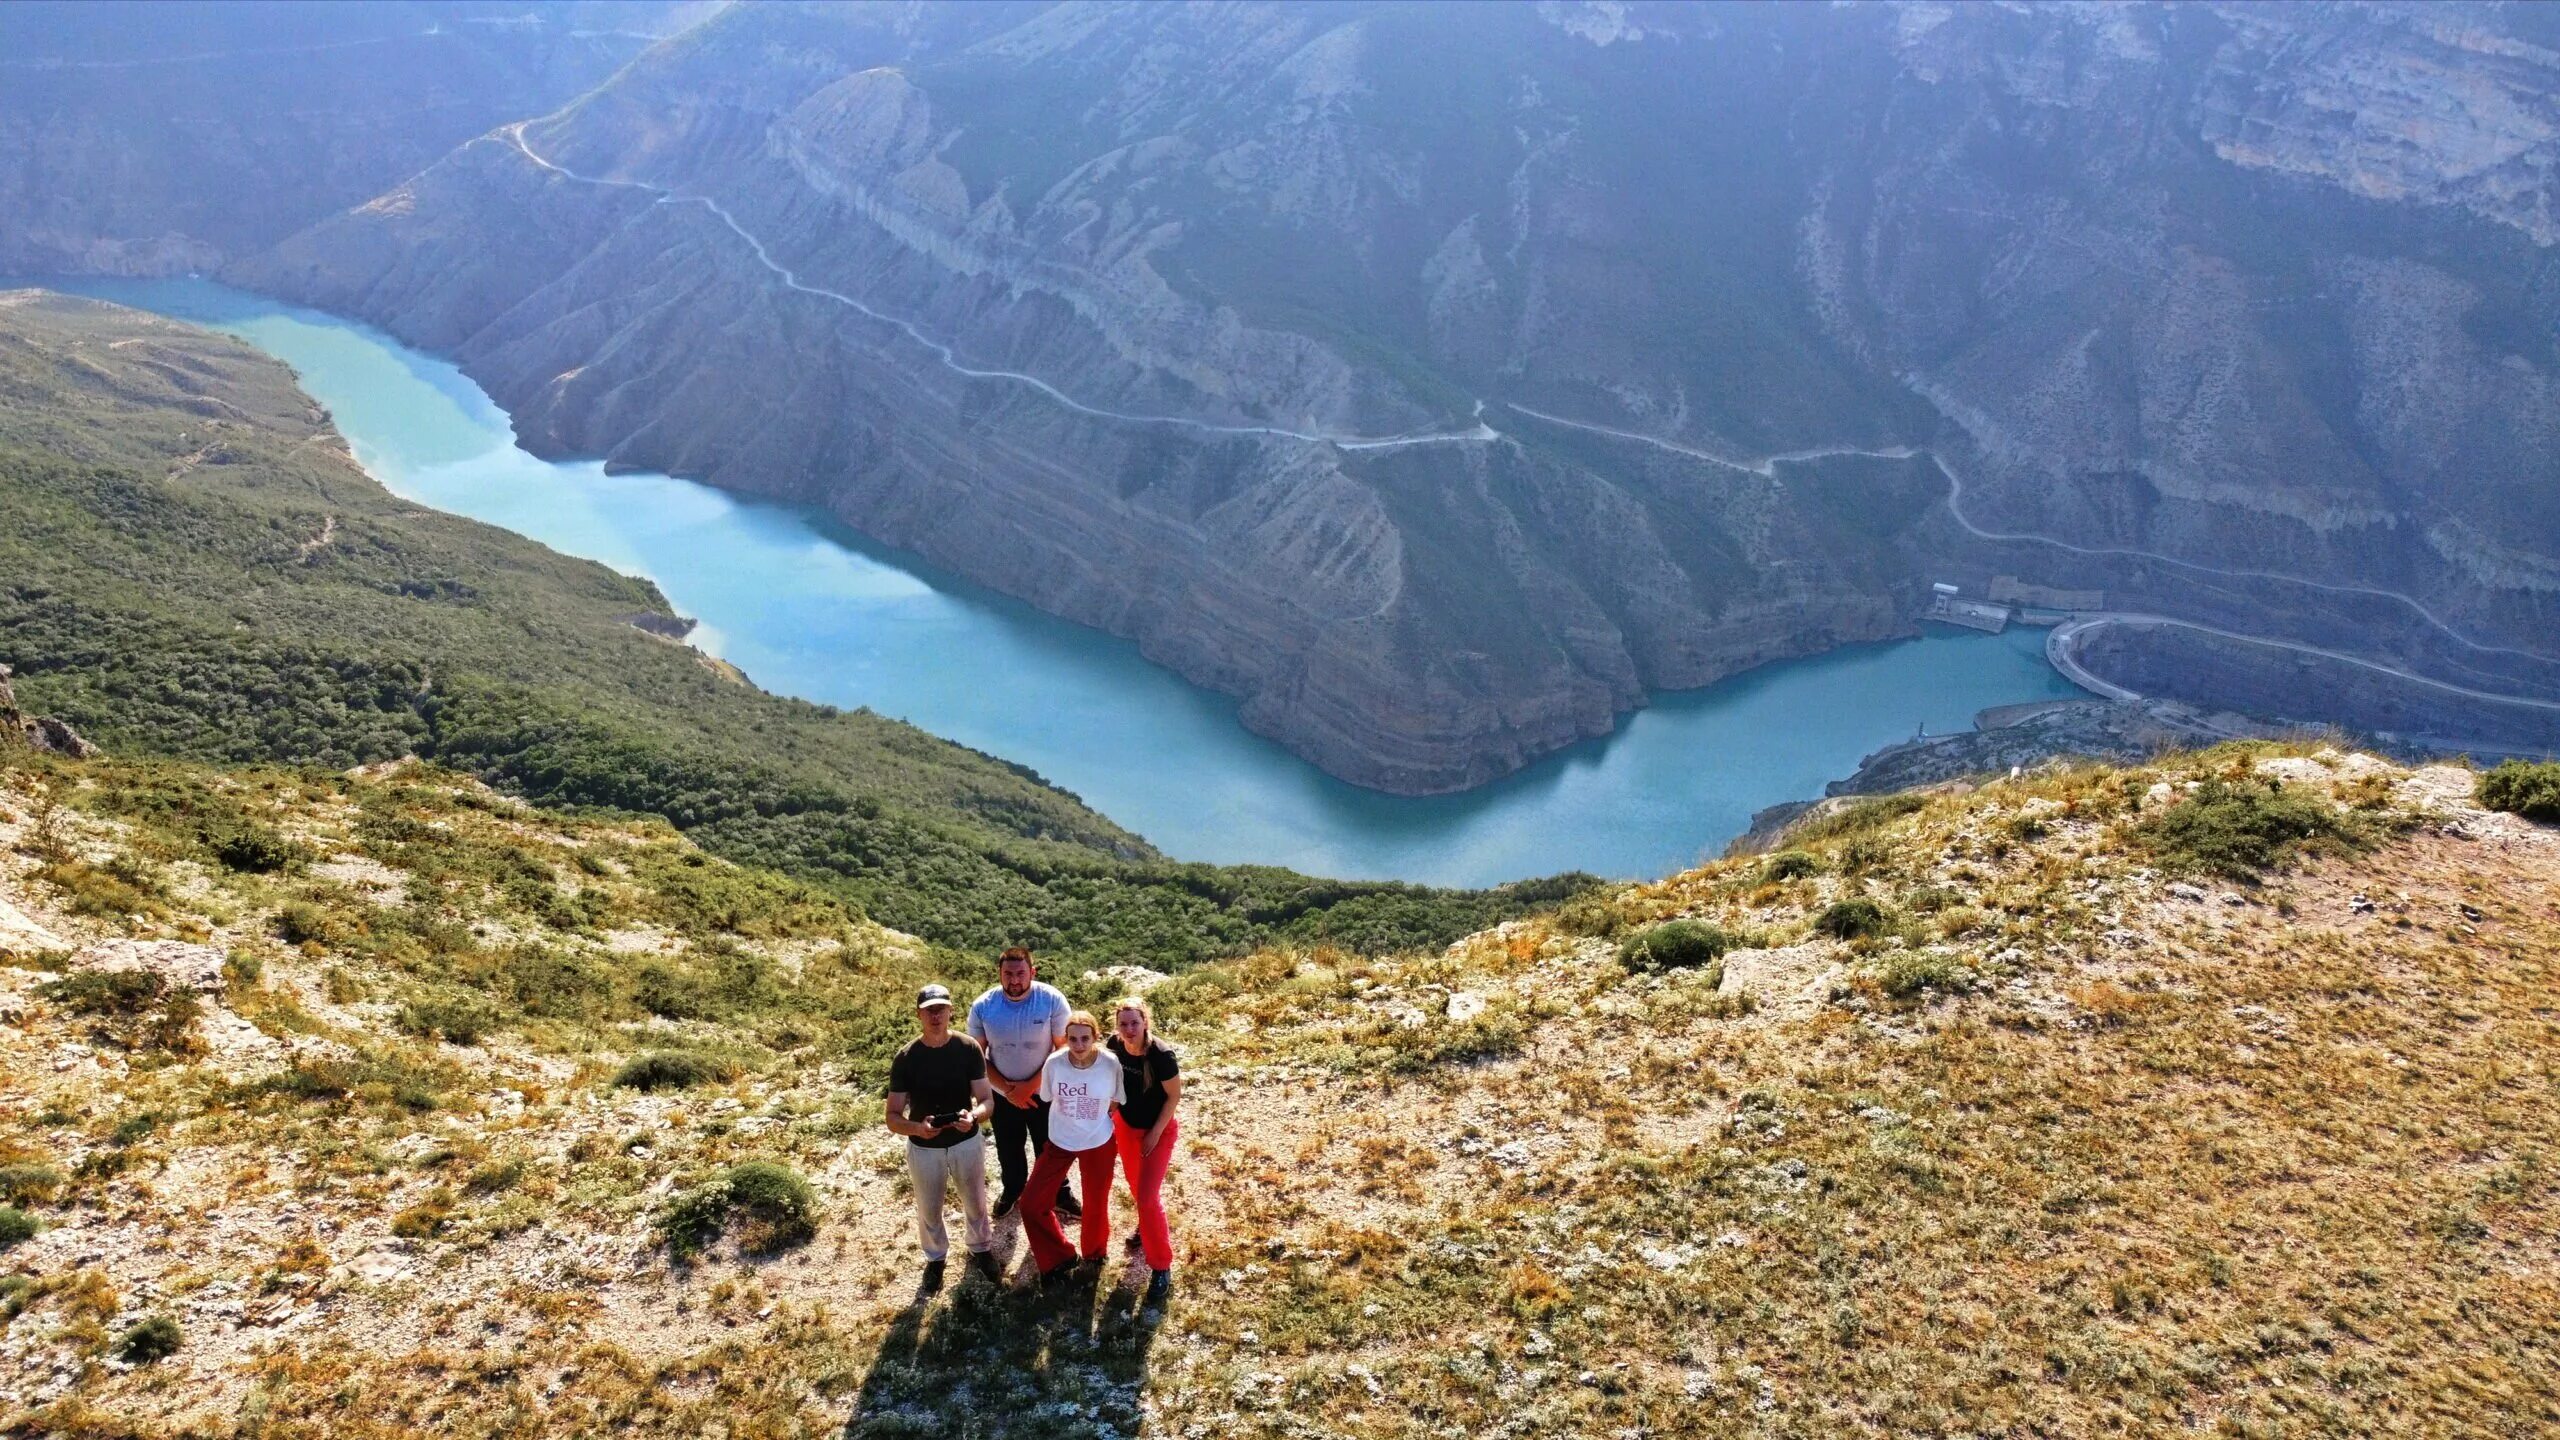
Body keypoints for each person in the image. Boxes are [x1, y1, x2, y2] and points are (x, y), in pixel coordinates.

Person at [884, 983, 995, 1289]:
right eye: (929, 1010)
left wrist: (972, 1116)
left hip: (965, 1142)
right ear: (919, 1014)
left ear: (951, 1011)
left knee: (975, 1202)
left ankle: (980, 1249)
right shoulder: (906, 1057)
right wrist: (918, 1128)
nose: (935, 1016)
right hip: (924, 1147)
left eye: (940, 1009)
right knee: (929, 1207)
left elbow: (987, 1100)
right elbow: (892, 1117)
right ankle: (935, 1259)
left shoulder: (968, 1048)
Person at [968, 946, 1077, 1219]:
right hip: (1002, 1093)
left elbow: (1063, 1048)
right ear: (999, 973)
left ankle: (1059, 1193)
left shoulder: (1051, 999)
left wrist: (1029, 1086)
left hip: (1044, 1089)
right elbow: (977, 1055)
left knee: (1050, 1145)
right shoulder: (983, 1006)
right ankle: (1013, 1189)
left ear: (1032, 972)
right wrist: (1008, 1090)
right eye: (1008, 974)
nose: (1014, 980)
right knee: (1008, 1146)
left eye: (1020, 973)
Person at [1018, 1010, 1125, 1280]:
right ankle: (1060, 1255)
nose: (1078, 1046)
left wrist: (1093, 1120)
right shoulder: (1054, 1063)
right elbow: (1047, 1096)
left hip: (1098, 1141)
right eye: (1073, 1039)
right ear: (1065, 1038)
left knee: (1095, 1202)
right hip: (1060, 1140)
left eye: (1085, 1039)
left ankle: (1095, 1253)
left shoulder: (1110, 1063)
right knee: (1031, 1203)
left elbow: (1115, 1101)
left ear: (1095, 1038)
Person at [1108, 995, 1181, 1297]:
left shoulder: (1161, 1055)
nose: (1129, 1029)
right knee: (1137, 1188)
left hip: (1157, 1130)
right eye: (1123, 1023)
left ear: (1145, 1022)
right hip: (1126, 1127)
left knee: (1148, 1197)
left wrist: (1154, 1134)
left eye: (1134, 1022)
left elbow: (1174, 1097)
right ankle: (1145, 1227)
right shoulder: (1113, 1046)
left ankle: (1161, 1266)